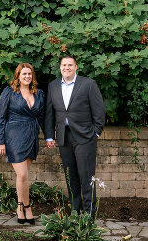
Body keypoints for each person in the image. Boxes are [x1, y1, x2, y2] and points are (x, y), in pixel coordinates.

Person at [44, 55, 105, 217]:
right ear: (60, 68)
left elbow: (99, 111)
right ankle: (75, 212)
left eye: (70, 65)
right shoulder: (53, 86)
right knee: (71, 177)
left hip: (85, 138)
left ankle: (89, 215)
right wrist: (50, 136)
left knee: (86, 177)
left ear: (76, 67)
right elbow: (50, 113)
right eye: (64, 65)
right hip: (64, 138)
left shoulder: (88, 84)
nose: (67, 68)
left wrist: (95, 133)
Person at [0, 62, 45, 225]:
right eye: (24, 74)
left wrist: (49, 136)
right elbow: (1, 118)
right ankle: (27, 207)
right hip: (14, 136)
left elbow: (42, 117)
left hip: (31, 135)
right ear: (18, 76)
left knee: (22, 177)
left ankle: (19, 206)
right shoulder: (9, 92)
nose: (27, 76)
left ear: (33, 76)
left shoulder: (39, 93)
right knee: (22, 175)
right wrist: (0, 141)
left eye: (29, 74)